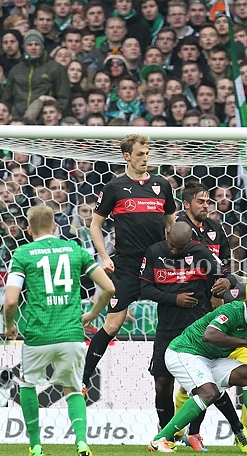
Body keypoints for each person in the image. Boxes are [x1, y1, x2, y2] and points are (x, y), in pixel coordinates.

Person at [3, 204, 115, 456]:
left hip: (37, 336)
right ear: (55, 226)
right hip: (71, 334)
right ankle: (82, 442)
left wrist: (10, 325)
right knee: (73, 389)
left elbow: (10, 301)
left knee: (28, 384)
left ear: (29, 230)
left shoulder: (22, 254)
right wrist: (93, 314)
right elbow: (108, 288)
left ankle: (35, 446)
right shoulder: (75, 250)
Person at [81, 135, 177, 393]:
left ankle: (175, 374)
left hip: (160, 263)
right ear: (127, 156)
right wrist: (104, 256)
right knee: (112, 325)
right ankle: (83, 379)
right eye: (140, 154)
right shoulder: (114, 188)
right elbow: (95, 225)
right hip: (127, 265)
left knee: (177, 317)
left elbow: (173, 225)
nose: (145, 158)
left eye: (147, 153)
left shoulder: (161, 185)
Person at [140, 221, 244, 452]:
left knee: (202, 387)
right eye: (172, 246)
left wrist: (227, 281)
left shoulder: (201, 252)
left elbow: (229, 276)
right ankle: (167, 434)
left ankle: (193, 433)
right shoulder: (155, 252)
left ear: (189, 243)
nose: (174, 251)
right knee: (162, 383)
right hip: (167, 328)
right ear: (167, 234)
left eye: (180, 248)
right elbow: (145, 289)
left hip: (196, 330)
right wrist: (174, 299)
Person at [148, 283, 247, 455]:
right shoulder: (233, 311)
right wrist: (246, 343)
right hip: (184, 352)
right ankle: (161, 439)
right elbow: (209, 335)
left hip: (209, 359)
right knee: (209, 392)